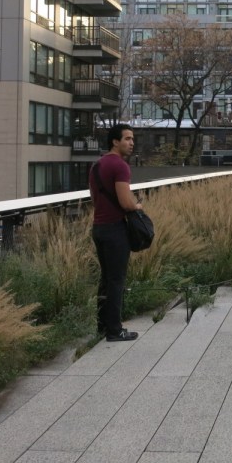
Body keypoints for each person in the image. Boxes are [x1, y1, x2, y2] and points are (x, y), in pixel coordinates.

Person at [89, 123, 142, 342]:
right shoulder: (120, 166)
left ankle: (102, 326)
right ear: (115, 141)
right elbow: (126, 203)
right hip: (115, 230)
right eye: (127, 139)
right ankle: (115, 330)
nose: (131, 143)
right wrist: (137, 206)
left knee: (106, 278)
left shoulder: (97, 165)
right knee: (116, 280)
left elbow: (94, 198)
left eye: (132, 139)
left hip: (99, 228)